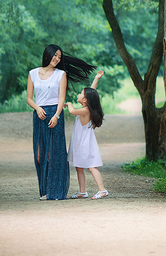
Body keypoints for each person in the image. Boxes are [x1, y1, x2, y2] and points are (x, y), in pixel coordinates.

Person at [26, 44, 96, 200]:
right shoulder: (33, 73)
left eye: (59, 57)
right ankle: (44, 190)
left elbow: (61, 98)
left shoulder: (61, 74)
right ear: (48, 54)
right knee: (39, 155)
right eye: (55, 55)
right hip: (39, 114)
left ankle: (55, 191)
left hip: (55, 114)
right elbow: (29, 98)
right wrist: (37, 108)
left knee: (55, 153)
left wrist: (57, 115)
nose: (57, 59)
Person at [65, 70, 109, 199]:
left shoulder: (85, 110)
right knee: (79, 167)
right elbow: (92, 91)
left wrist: (69, 104)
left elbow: (72, 111)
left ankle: (102, 190)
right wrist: (96, 79)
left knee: (91, 167)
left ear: (85, 100)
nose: (78, 94)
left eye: (80, 93)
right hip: (80, 143)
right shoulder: (87, 107)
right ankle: (82, 191)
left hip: (85, 144)